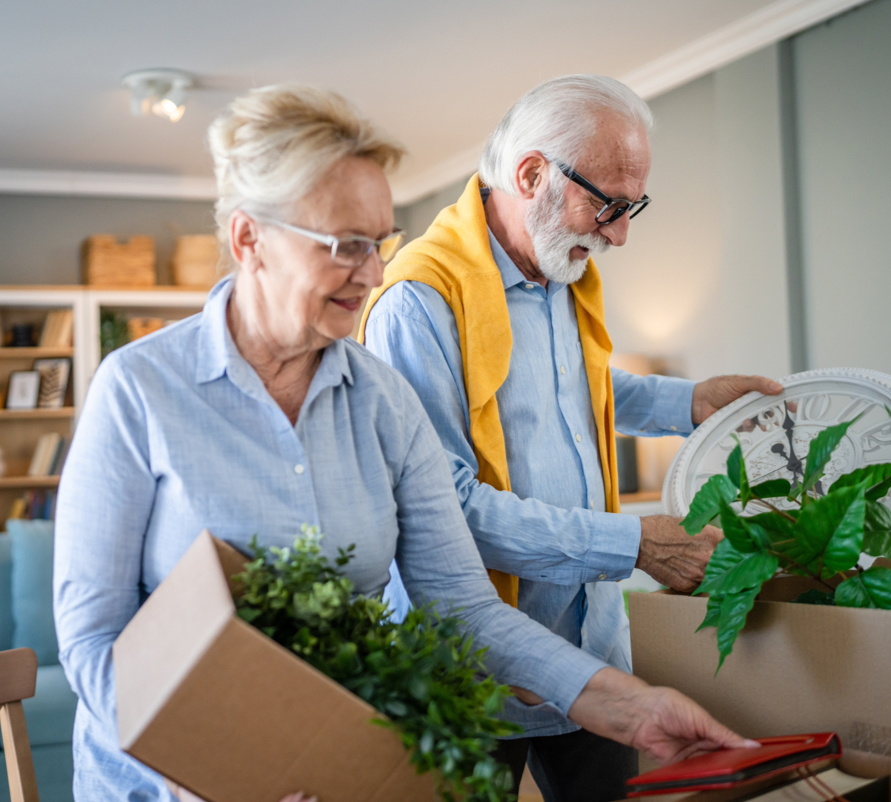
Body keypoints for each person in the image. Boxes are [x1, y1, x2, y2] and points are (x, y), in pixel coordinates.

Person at [54, 84, 753, 802]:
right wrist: (237, 773)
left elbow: (463, 605)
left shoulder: (382, 403)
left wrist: (630, 704)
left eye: (381, 242)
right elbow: (92, 644)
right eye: (346, 246)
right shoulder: (138, 388)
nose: (374, 273)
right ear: (247, 239)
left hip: (332, 765)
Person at [361, 74, 782, 802]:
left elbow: (572, 395)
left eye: (632, 207)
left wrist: (688, 401)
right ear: (531, 175)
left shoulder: (562, 270)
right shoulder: (418, 302)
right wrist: (635, 542)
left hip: (589, 651)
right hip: (472, 664)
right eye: (609, 206)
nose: (619, 233)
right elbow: (447, 510)